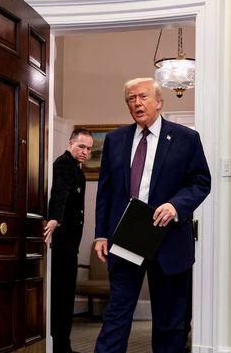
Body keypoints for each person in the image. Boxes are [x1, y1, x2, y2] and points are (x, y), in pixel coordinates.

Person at [94, 78, 211, 353]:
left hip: (169, 239)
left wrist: (176, 206)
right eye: (131, 98)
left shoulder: (186, 138)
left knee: (169, 322)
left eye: (143, 96)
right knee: (116, 316)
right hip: (126, 238)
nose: (137, 103)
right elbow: (105, 191)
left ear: (159, 102)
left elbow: (200, 181)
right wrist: (101, 234)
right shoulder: (115, 139)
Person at [45, 128, 93, 353]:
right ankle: (60, 347)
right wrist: (55, 218)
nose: (85, 152)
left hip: (70, 245)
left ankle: (63, 346)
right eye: (81, 146)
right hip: (62, 244)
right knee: (61, 298)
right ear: (70, 144)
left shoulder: (76, 168)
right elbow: (60, 191)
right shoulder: (65, 163)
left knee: (65, 297)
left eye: (89, 149)